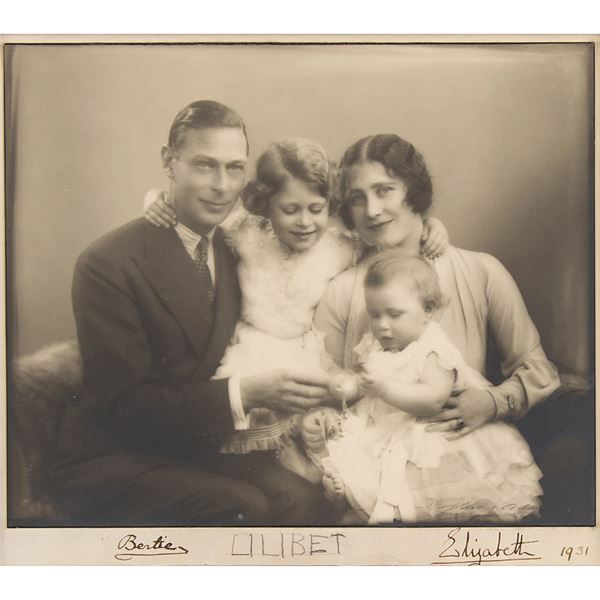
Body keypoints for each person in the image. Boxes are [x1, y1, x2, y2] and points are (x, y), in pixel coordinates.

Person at [50, 100, 343, 526]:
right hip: (113, 454)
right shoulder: (108, 262)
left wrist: (427, 230)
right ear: (169, 162)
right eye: (205, 165)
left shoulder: (234, 246)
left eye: (234, 167)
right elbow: (128, 408)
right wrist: (246, 392)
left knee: (301, 497)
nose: (222, 185)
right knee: (247, 506)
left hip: (190, 444)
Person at [311, 133, 596, 525]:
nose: (372, 210)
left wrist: (493, 402)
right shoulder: (342, 290)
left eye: (385, 190)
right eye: (358, 198)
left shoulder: (480, 271)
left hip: (462, 462)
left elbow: (538, 370)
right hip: (377, 466)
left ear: (414, 190)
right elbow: (322, 384)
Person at [143, 138, 449, 483]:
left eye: (316, 209)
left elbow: (389, 240)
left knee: (324, 417)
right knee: (237, 433)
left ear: (329, 205)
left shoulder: (340, 247)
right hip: (251, 346)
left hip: (304, 350)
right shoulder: (246, 232)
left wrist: (431, 228)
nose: (305, 222)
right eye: (290, 210)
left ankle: (314, 470)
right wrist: (156, 199)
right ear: (266, 207)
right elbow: (197, 218)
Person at [305, 251, 543, 524]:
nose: (382, 325)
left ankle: (371, 510)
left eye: (394, 314)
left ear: (427, 311)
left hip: (428, 435)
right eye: (374, 314)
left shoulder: (433, 350)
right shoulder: (378, 343)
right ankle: (345, 497)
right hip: (386, 428)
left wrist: (384, 388)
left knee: (404, 489)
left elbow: (433, 398)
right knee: (352, 457)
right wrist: (347, 386)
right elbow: (363, 387)